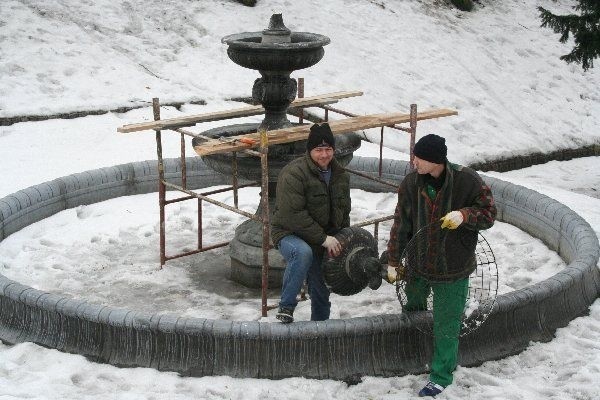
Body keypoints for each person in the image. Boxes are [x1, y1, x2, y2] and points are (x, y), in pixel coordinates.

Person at [385, 133, 496, 397]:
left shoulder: (466, 181)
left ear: (435, 161)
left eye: (419, 158)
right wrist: (393, 260)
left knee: (447, 323)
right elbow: (401, 224)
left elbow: (490, 213)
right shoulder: (411, 183)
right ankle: (416, 353)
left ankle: (441, 374)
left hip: (453, 267)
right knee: (412, 309)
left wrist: (465, 215)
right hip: (418, 264)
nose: (414, 162)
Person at [271, 122, 351, 324]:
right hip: (290, 233)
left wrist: (343, 240)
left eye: (328, 149)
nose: (324, 155)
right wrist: (324, 239)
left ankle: (320, 329)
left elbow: (344, 213)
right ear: (309, 151)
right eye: (319, 150)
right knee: (303, 252)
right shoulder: (294, 173)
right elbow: (293, 215)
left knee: (321, 289)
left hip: (322, 238)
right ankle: (286, 307)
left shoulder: (341, 176)